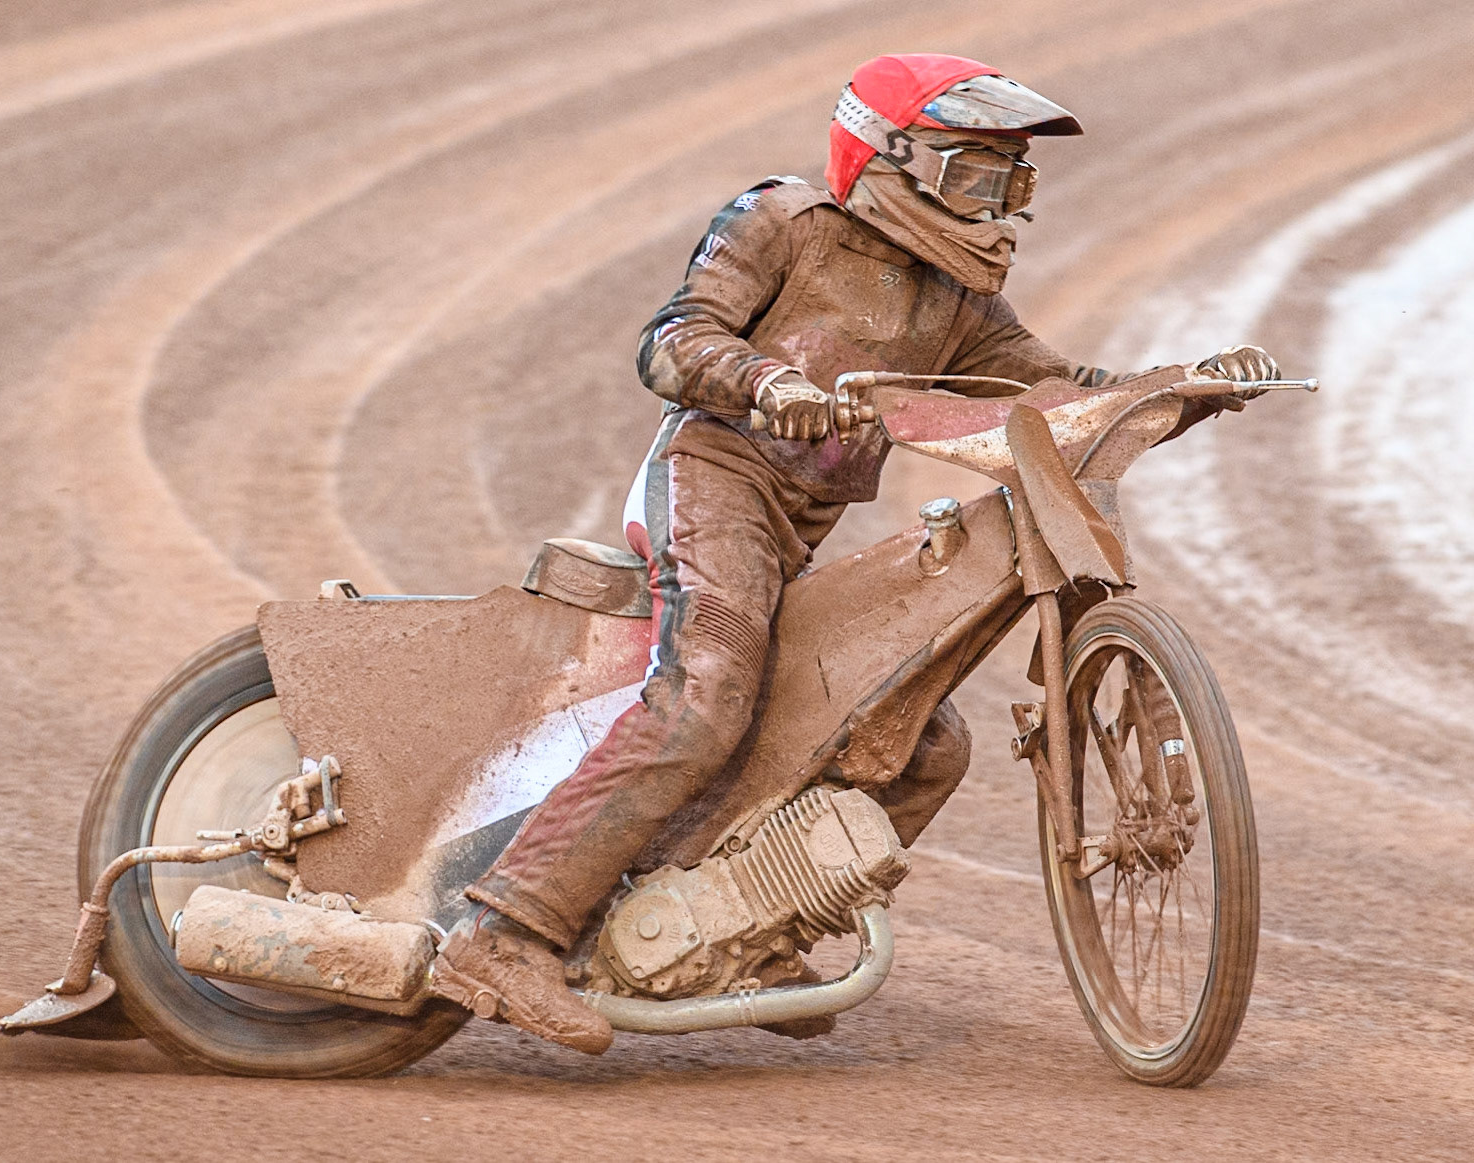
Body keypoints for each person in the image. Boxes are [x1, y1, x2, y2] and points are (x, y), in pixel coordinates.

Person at [429, 52, 1277, 1054]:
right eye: (972, 177)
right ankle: (501, 930)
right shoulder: (783, 221)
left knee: (926, 744)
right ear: (886, 157)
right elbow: (670, 341)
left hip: (792, 531)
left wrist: (1190, 385)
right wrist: (760, 381)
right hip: (714, 482)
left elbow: (1066, 394)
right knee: (708, 690)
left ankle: (757, 927)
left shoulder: (962, 305)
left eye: (1011, 185)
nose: (995, 207)